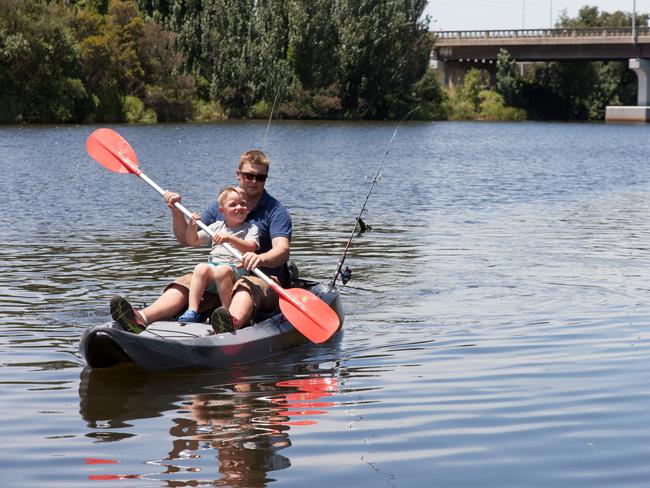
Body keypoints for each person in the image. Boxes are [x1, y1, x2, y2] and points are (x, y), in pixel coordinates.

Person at [109, 149, 292, 334]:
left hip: (263, 278)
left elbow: (282, 250)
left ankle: (231, 323)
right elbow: (188, 239)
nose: (254, 181)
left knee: (245, 287)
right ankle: (141, 317)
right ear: (239, 175)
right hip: (220, 273)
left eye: (260, 177)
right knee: (187, 281)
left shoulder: (275, 211)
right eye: (249, 175)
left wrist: (261, 259)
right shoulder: (220, 206)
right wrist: (176, 211)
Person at [176, 186, 259, 325]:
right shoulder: (216, 226)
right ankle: (192, 310)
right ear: (222, 210)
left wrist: (229, 238)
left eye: (243, 204)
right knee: (201, 267)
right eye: (233, 204)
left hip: (236, 269)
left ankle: (227, 312)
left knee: (222, 270)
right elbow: (193, 240)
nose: (239, 207)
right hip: (214, 267)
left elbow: (250, 247)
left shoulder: (250, 228)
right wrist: (191, 226)